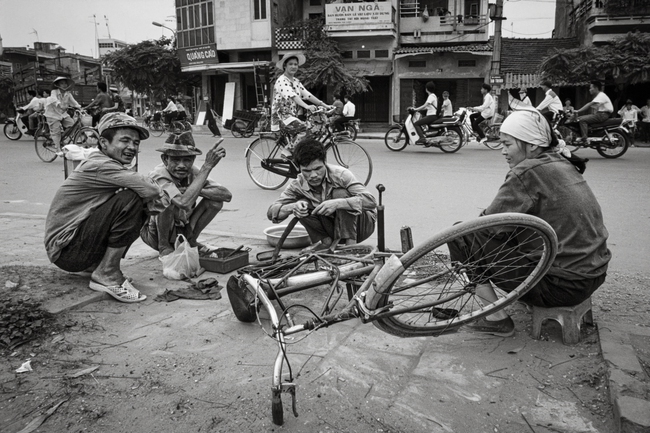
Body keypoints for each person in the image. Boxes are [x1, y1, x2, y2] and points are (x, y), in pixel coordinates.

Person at [451, 106, 610, 337]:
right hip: (593, 275)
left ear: (532, 145)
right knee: (504, 235)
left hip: (561, 287)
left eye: (508, 144)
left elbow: (488, 226)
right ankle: (520, 297)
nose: (503, 151)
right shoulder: (562, 161)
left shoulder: (527, 171)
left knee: (460, 234)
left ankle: (496, 319)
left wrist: (477, 241)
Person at [44, 113, 168, 303]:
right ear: (103, 142)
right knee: (133, 198)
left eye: (135, 143)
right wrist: (152, 194)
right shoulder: (99, 165)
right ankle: (106, 272)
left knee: (135, 197)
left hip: (73, 250)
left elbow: (156, 198)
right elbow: (152, 191)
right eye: (124, 141)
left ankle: (99, 266)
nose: (131, 148)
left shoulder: (110, 164)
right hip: (68, 252)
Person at [267, 138, 377, 252]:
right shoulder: (297, 184)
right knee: (302, 203)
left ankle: (350, 248)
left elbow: (371, 202)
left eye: (318, 168)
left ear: (325, 162)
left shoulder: (341, 175)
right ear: (299, 168)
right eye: (307, 171)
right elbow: (272, 212)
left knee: (340, 194)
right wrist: (292, 207)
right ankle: (325, 243)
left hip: (362, 227)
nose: (313, 175)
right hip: (332, 228)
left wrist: (338, 203)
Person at [140, 132, 232, 257]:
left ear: (193, 160)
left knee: (215, 202)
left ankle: (191, 240)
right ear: (165, 159)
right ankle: (164, 246)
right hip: (154, 234)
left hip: (182, 228)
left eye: (187, 160)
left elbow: (226, 195)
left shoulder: (193, 171)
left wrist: (194, 189)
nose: (181, 165)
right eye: (176, 160)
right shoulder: (159, 175)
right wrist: (207, 166)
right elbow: (183, 202)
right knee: (167, 201)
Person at [271, 51, 330, 138]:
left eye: (295, 64)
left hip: (292, 117)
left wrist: (325, 105)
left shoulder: (296, 81)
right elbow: (293, 96)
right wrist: (307, 106)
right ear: (285, 66)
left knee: (313, 131)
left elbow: (308, 95)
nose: (293, 66)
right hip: (282, 118)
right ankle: (288, 152)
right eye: (290, 64)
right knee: (305, 130)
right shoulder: (282, 80)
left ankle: (296, 151)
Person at [44, 77, 81, 154]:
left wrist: (80, 107)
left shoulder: (68, 93)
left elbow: (74, 102)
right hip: (52, 114)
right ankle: (57, 149)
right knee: (56, 131)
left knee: (72, 124)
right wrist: (59, 104)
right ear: (57, 85)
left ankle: (60, 139)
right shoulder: (54, 92)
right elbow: (54, 99)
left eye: (65, 83)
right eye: (62, 83)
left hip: (62, 113)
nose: (64, 85)